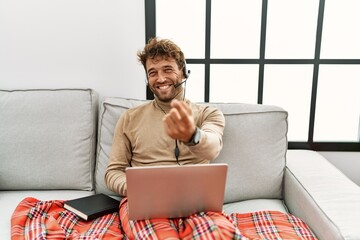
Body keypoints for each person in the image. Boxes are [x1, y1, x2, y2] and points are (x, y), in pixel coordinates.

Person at [104, 37, 243, 239]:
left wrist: (191, 135)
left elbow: (212, 147)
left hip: (197, 204)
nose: (160, 79)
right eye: (153, 73)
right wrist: (141, 189)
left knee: (219, 235)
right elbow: (113, 172)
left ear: (183, 72)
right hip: (146, 204)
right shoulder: (129, 118)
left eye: (167, 70)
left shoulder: (208, 114)